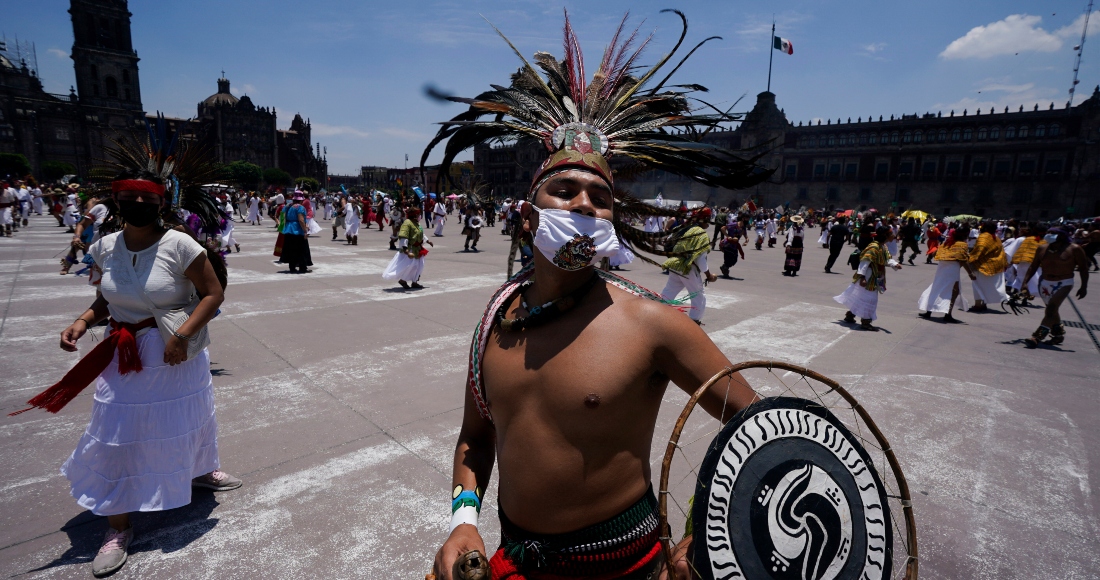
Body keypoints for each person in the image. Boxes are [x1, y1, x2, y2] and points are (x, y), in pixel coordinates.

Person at [423, 13, 771, 578]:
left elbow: (760, 429)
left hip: (629, 568)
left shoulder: (655, 323)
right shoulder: (496, 317)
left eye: (600, 197)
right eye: (564, 190)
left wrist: (703, 531)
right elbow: (475, 436)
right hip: (513, 564)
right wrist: (464, 519)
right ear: (529, 213)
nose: (584, 204)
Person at [17, 142, 240, 576]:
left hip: (177, 354)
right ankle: (117, 526)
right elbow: (106, 297)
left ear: (163, 202)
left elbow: (214, 293)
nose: (139, 204)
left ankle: (199, 470)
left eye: (148, 198)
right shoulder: (105, 247)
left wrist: (183, 336)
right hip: (125, 355)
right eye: (130, 197)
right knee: (115, 430)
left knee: (190, 416)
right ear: (116, 201)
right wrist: (83, 320)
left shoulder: (181, 245)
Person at [1021, 227, 1089, 346]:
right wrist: (1025, 282)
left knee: (1051, 308)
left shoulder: (1075, 249)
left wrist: (1084, 287)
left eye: (1053, 233)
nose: (1049, 235)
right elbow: (1033, 266)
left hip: (1064, 282)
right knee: (1052, 310)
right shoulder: (1042, 248)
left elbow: (1083, 269)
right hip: (1045, 283)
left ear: (1062, 236)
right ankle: (1058, 335)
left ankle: (1037, 337)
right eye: (1049, 232)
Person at [835, 225, 901, 331]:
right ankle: (866, 322)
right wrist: (862, 278)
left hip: (877, 275)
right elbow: (864, 263)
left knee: (861, 297)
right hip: (869, 276)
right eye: (891, 233)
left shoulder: (883, 246)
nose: (893, 235)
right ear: (886, 235)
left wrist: (895, 264)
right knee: (870, 299)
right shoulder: (874, 247)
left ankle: (850, 315)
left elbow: (887, 259)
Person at [661, 207, 716, 324]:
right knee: (698, 295)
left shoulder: (682, 228)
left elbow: (667, 240)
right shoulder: (701, 235)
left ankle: (658, 312)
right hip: (688, 269)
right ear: (704, 219)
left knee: (669, 290)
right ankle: (694, 321)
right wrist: (709, 275)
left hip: (675, 265)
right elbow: (701, 260)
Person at [918, 223, 977, 322]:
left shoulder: (947, 243)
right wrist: (970, 273)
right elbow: (963, 260)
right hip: (952, 269)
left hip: (942, 268)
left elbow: (936, 253)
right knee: (953, 291)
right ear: (965, 235)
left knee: (936, 288)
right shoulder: (962, 245)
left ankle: (928, 312)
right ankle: (947, 314)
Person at [382, 207, 433, 289]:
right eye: (419, 214)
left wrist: (428, 241)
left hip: (418, 248)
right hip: (410, 249)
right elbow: (403, 236)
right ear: (415, 215)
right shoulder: (407, 223)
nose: (420, 216)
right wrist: (406, 250)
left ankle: (414, 281)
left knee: (419, 265)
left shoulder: (417, 223)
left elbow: (421, 234)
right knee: (410, 266)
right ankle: (402, 280)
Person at [967, 222, 1008, 312]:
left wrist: (969, 259)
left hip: (983, 266)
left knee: (977, 285)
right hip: (995, 265)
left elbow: (979, 250)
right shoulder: (996, 238)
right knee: (986, 286)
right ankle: (984, 304)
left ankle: (978, 305)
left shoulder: (983, 237)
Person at [1009, 223, 1045, 300]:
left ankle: (1024, 294)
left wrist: (1014, 261)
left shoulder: (1028, 239)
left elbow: (1021, 251)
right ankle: (1027, 295)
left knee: (1022, 279)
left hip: (1024, 263)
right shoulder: (1045, 242)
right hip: (1037, 265)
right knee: (1033, 280)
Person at [279, 193, 313, 273]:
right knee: (302, 250)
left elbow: (282, 217)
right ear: (301, 200)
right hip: (297, 230)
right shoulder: (300, 207)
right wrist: (305, 231)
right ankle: (302, 268)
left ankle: (292, 268)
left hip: (288, 229)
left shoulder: (287, 206)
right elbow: (301, 220)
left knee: (291, 250)